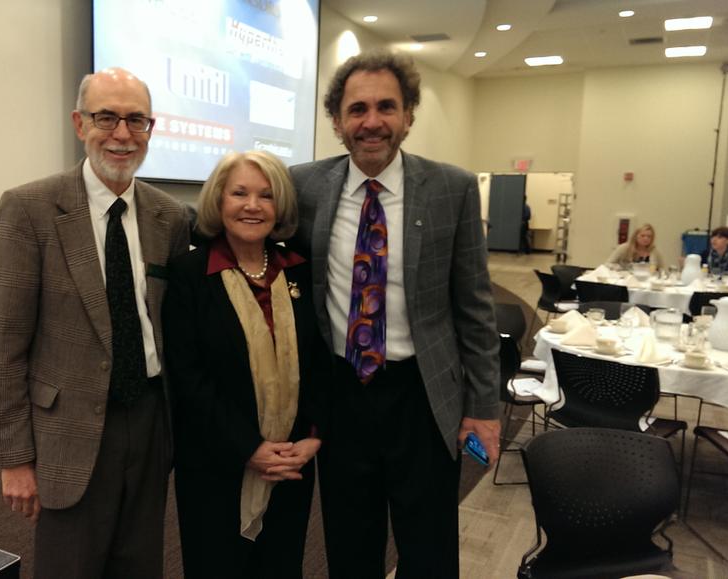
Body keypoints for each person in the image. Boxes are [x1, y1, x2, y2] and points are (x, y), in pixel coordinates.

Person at [288, 50, 501, 578]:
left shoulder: (451, 189)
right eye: (357, 109)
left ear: (408, 115)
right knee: (350, 546)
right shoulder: (303, 186)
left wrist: (483, 408)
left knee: (428, 551)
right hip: (342, 396)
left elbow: (475, 308)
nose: (372, 121)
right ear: (337, 121)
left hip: (424, 398)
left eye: (387, 106)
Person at [0, 68, 190, 578]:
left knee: (140, 564)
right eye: (106, 118)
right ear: (79, 124)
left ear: (151, 128)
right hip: (66, 427)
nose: (122, 134)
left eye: (136, 120)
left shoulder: (170, 217)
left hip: (150, 420)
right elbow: (3, 345)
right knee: (69, 567)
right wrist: (14, 459)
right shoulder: (29, 209)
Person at [162, 151, 327, 579]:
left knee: (281, 566)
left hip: (290, 463)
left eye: (265, 195)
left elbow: (321, 364)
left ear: (280, 206)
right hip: (216, 465)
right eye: (239, 193)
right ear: (219, 200)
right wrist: (249, 448)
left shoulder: (301, 271)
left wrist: (312, 437)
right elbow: (188, 378)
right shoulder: (189, 275)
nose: (252, 206)